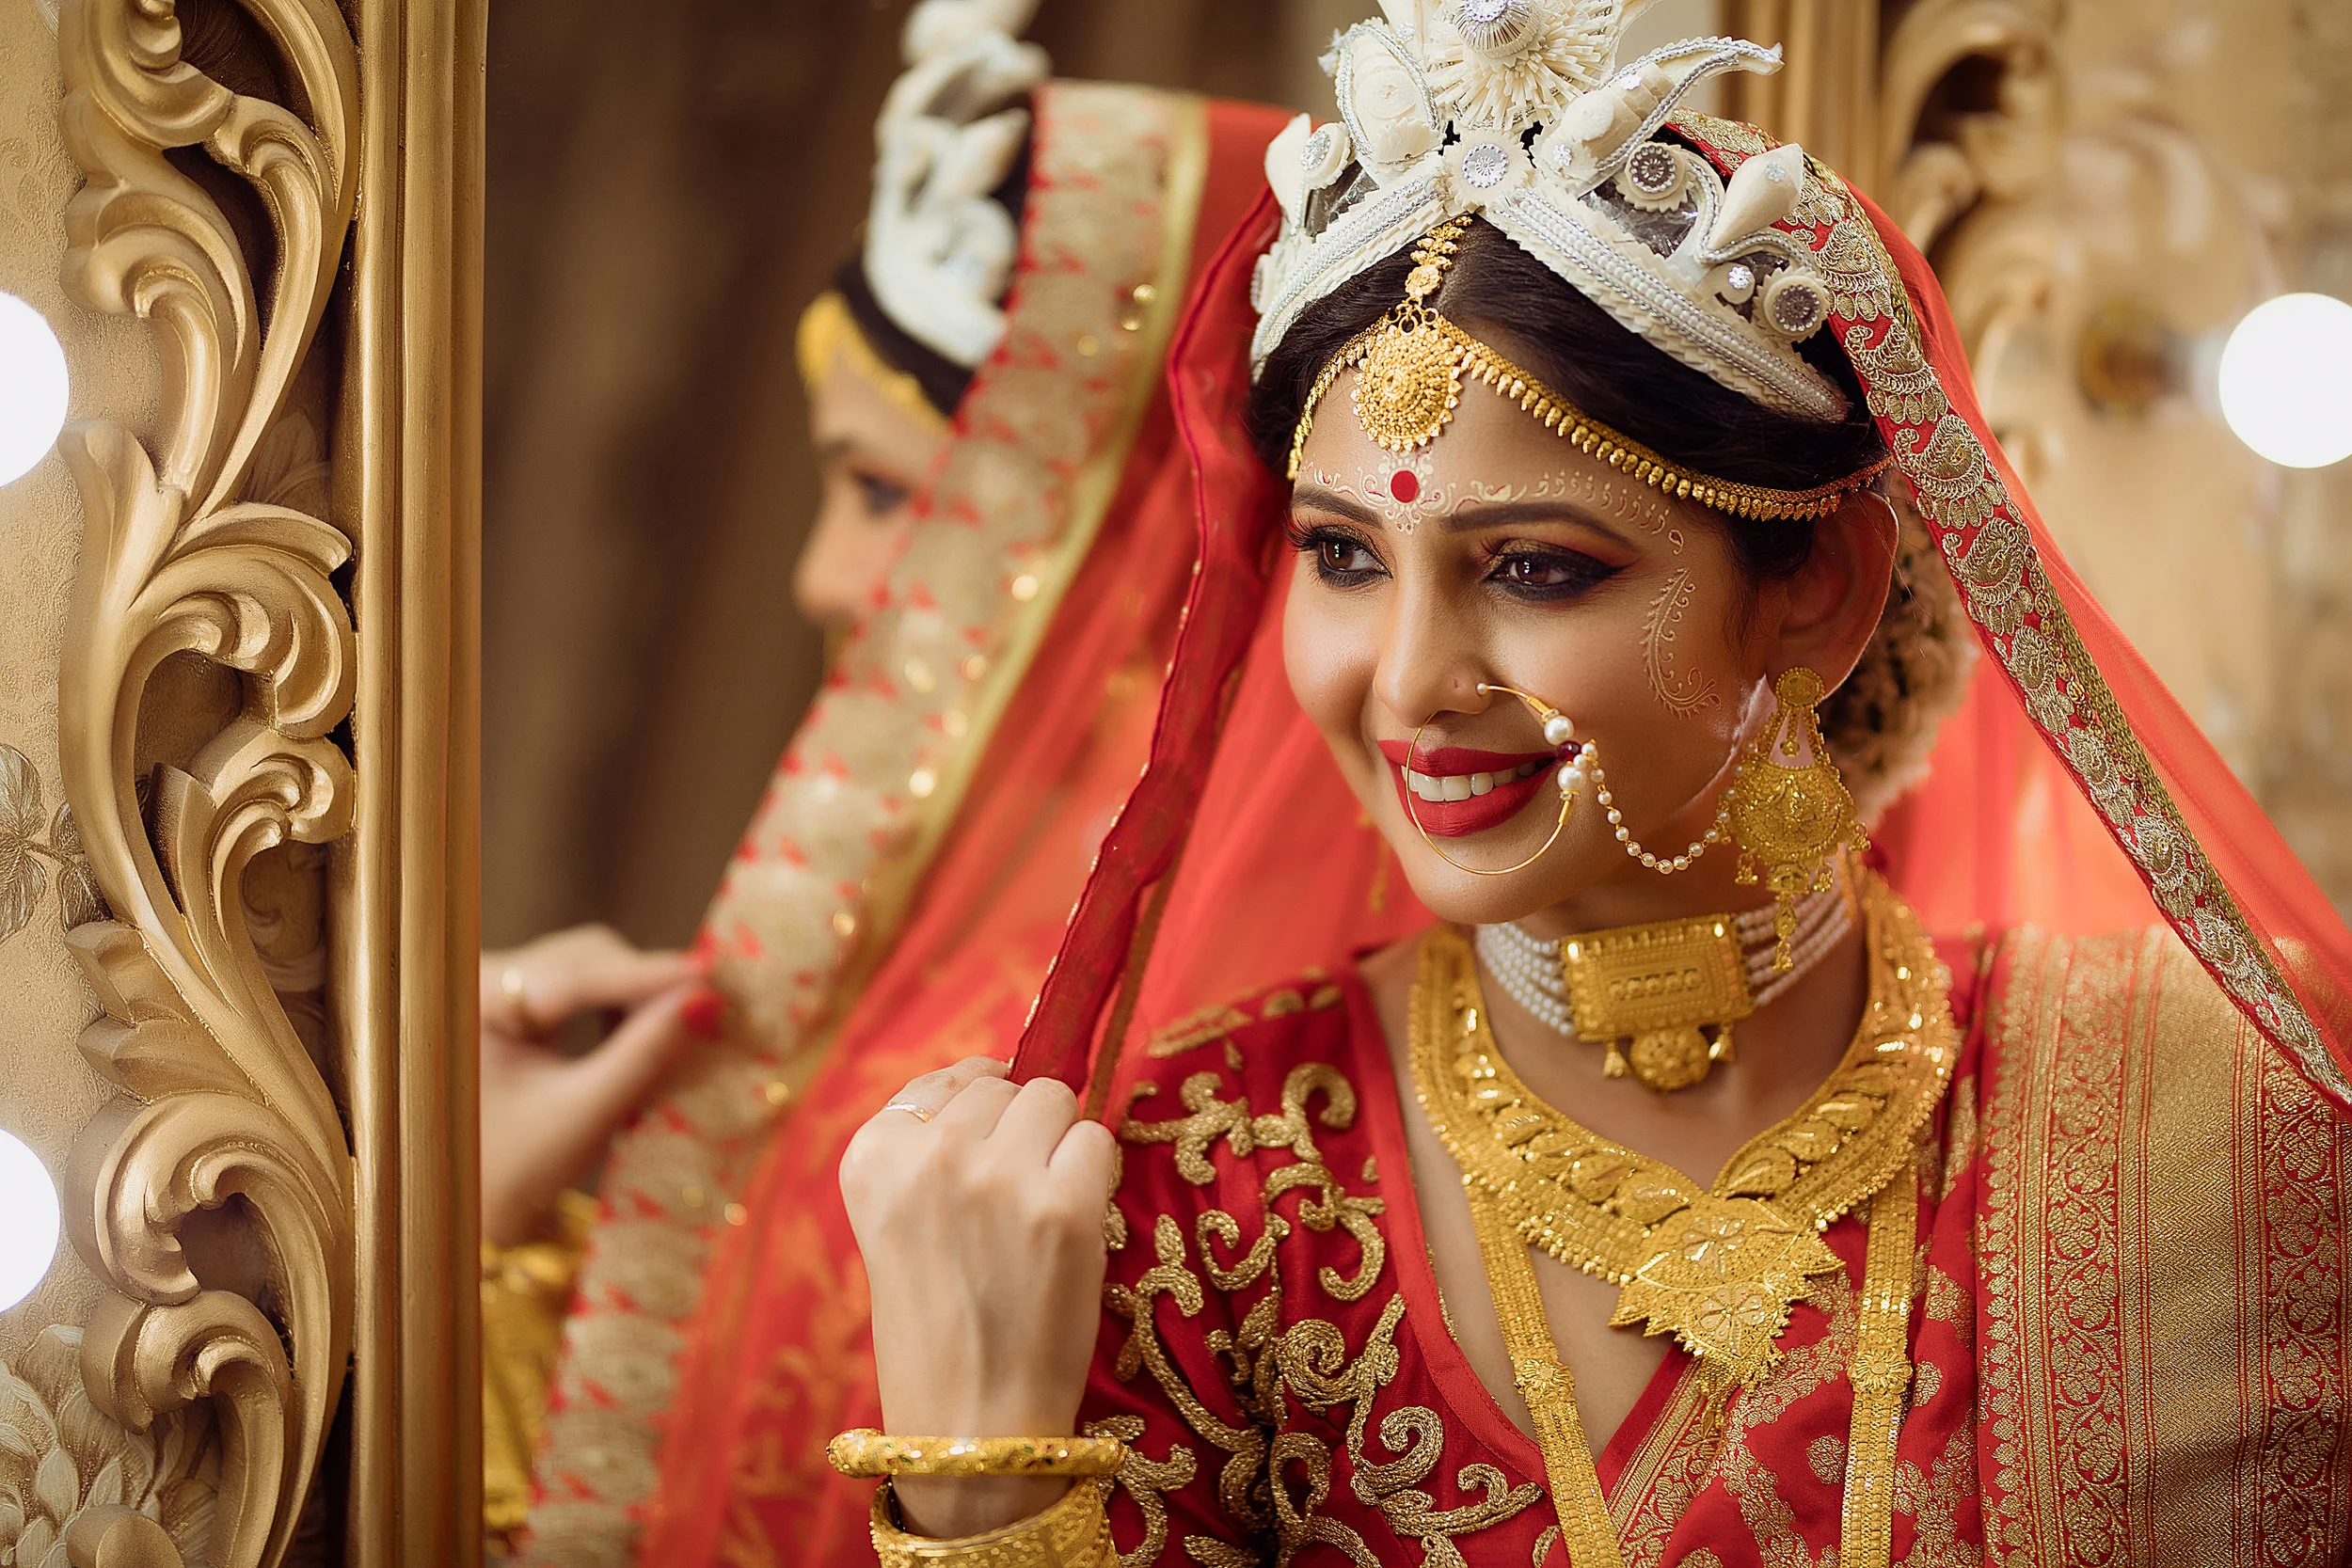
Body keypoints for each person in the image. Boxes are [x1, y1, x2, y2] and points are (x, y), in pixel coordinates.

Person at [813, 6, 2352, 1565]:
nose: (1407, 678)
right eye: (1344, 556)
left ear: (1816, 586)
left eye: (1536, 568)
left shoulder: (2230, 1120)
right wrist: (978, 1489)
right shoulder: (1199, 1196)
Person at [501, 6, 1318, 1562]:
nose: (826, 574)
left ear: (1123, 531)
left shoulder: (1207, 1063)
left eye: (890, 491)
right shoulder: (930, 951)